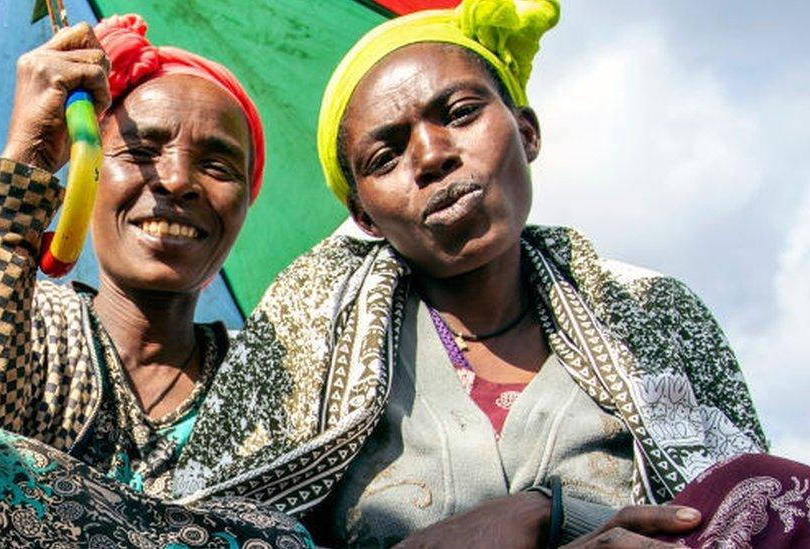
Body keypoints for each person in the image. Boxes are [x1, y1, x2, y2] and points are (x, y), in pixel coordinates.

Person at [159, 1, 793, 547]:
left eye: (460, 114)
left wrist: (549, 513)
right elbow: (207, 532)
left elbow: (741, 517)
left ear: (526, 132)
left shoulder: (656, 318)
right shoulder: (306, 354)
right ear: (365, 215)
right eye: (386, 155)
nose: (432, 155)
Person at [0, 14, 312, 548]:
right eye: (140, 152)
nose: (177, 181)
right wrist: (28, 164)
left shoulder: (270, 374)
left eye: (218, 166)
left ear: (247, 201)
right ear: (91, 172)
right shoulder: (33, 327)